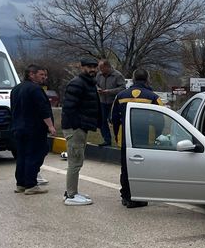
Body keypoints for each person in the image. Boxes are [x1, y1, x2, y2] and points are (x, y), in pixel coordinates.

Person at [112, 69, 164, 208]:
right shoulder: (153, 97)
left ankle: (127, 197)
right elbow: (162, 119)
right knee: (145, 167)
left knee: (126, 167)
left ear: (133, 79)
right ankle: (141, 195)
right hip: (147, 137)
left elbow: (114, 119)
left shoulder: (120, 95)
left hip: (126, 138)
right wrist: (156, 135)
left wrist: (118, 135)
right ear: (147, 79)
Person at [10, 64, 57, 195]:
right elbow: (43, 109)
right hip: (33, 129)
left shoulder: (16, 89)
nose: (44, 77)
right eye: (41, 75)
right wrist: (50, 126)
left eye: (45, 75)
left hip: (18, 128)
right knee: (35, 155)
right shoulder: (35, 89)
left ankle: (21, 184)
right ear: (31, 74)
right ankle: (31, 185)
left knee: (22, 156)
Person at [61, 59, 101, 205]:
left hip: (81, 127)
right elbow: (69, 108)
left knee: (77, 161)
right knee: (75, 162)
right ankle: (71, 196)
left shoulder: (88, 83)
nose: (92, 69)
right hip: (75, 128)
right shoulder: (77, 83)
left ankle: (73, 192)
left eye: (94, 67)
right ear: (82, 67)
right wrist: (77, 126)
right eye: (89, 67)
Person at [95, 59, 125, 147]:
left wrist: (109, 91)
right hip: (102, 102)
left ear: (108, 67)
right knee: (102, 121)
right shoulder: (99, 75)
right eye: (99, 68)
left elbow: (123, 88)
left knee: (115, 121)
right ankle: (107, 140)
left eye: (102, 68)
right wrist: (98, 89)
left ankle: (118, 140)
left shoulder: (117, 75)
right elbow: (94, 84)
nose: (101, 70)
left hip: (113, 103)